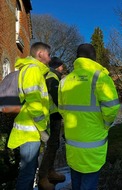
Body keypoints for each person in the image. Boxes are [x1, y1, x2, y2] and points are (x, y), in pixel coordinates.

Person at [58, 44, 120, 190]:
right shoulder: (100, 77)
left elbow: (61, 110)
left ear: (77, 58)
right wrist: (105, 124)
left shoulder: (64, 81)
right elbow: (112, 108)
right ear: (94, 58)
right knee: (89, 183)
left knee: (76, 181)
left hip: (72, 143)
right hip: (94, 143)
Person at [7, 42, 52, 190]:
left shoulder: (33, 70)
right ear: (40, 54)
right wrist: (42, 130)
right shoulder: (33, 70)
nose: (50, 59)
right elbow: (33, 102)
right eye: (48, 54)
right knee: (27, 173)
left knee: (29, 172)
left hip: (30, 129)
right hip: (30, 131)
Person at [37, 57, 66, 189]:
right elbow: (57, 99)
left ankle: (51, 172)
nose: (63, 68)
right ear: (57, 66)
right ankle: (42, 178)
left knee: (54, 145)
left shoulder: (53, 76)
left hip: (54, 116)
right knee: (51, 146)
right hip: (51, 116)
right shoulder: (52, 78)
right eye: (61, 66)